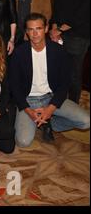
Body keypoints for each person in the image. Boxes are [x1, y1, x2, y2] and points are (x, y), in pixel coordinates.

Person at [10, 13, 90, 147]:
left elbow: (64, 83)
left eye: (39, 29)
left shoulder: (59, 52)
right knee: (23, 142)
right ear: (27, 32)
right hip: (28, 100)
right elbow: (14, 85)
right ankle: (36, 122)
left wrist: (50, 109)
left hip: (51, 97)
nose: (35, 34)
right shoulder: (19, 53)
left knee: (86, 121)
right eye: (31, 29)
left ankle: (49, 123)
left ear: (46, 28)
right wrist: (28, 110)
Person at [50, 0, 90, 104]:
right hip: (58, 34)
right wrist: (53, 29)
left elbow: (84, 12)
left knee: (73, 74)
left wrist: (59, 29)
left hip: (78, 36)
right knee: (58, 71)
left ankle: (72, 106)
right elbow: (57, 9)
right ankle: (58, 104)